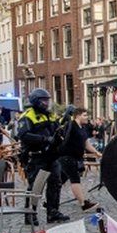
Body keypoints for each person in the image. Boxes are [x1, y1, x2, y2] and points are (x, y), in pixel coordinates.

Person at [17, 89, 66, 225]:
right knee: (35, 187)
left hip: (52, 156)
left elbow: (57, 130)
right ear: (36, 101)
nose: (46, 103)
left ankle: (52, 211)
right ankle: (30, 214)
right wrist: (45, 139)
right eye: (44, 100)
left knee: (56, 184)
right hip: (36, 157)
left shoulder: (50, 115)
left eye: (47, 100)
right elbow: (24, 135)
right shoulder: (28, 116)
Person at [56, 108, 99, 212]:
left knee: (59, 181)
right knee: (75, 179)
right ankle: (84, 204)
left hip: (75, 158)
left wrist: (96, 153)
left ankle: (49, 203)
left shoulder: (82, 128)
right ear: (77, 116)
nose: (87, 117)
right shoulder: (71, 126)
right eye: (84, 115)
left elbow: (86, 143)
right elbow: (63, 138)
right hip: (67, 157)